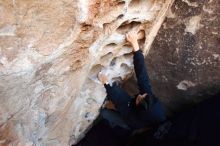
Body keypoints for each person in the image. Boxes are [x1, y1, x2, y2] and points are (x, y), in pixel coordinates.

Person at [98, 31, 166, 131]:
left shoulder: (133, 119)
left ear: (138, 107)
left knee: (105, 113)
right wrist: (135, 45)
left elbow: (121, 104)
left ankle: (113, 123)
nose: (140, 95)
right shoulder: (150, 102)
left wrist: (106, 83)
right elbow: (142, 75)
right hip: (138, 111)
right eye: (144, 95)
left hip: (131, 122)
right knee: (117, 92)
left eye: (139, 99)